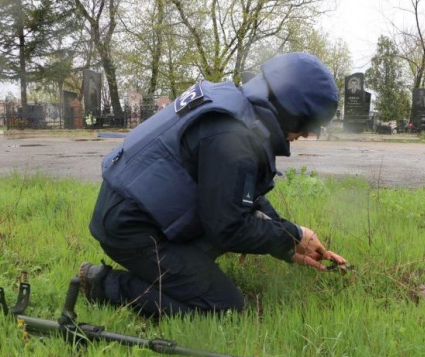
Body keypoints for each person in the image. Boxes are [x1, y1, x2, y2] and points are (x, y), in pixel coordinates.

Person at [79, 53, 347, 318]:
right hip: (130, 228)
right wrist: (292, 235)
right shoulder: (233, 136)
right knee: (224, 304)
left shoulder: (234, 107)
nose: (307, 135)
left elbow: (239, 195)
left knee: (208, 264)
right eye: (309, 125)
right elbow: (228, 228)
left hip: (128, 209)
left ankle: (176, 270)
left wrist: (290, 243)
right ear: (291, 111)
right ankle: (103, 284)